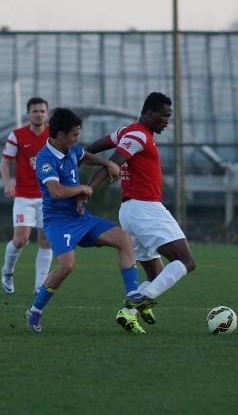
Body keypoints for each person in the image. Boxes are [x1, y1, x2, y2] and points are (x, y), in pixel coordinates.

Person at [26, 107, 152, 334]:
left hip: (82, 218)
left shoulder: (71, 149)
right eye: (74, 134)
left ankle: (133, 293)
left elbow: (86, 156)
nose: (77, 139)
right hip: (58, 222)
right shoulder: (45, 158)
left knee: (124, 239)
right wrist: (82, 189)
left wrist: (107, 163)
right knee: (67, 265)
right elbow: (56, 191)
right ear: (60, 134)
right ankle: (35, 310)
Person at [87, 92, 196, 330]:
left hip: (131, 211)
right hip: (145, 209)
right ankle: (139, 299)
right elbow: (112, 164)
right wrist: (89, 188)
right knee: (186, 261)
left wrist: (81, 155)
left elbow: (102, 144)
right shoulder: (138, 135)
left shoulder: (127, 132)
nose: (167, 121)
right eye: (164, 116)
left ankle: (128, 313)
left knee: (156, 275)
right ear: (149, 112)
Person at [0, 97, 53, 295]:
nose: (38, 114)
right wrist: (8, 184)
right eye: (35, 111)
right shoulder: (17, 135)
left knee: (46, 241)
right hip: (24, 197)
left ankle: (40, 286)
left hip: (48, 197)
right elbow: (5, 162)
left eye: (42, 111)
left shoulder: (53, 136)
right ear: (28, 114)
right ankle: (7, 272)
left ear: (47, 114)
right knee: (21, 239)